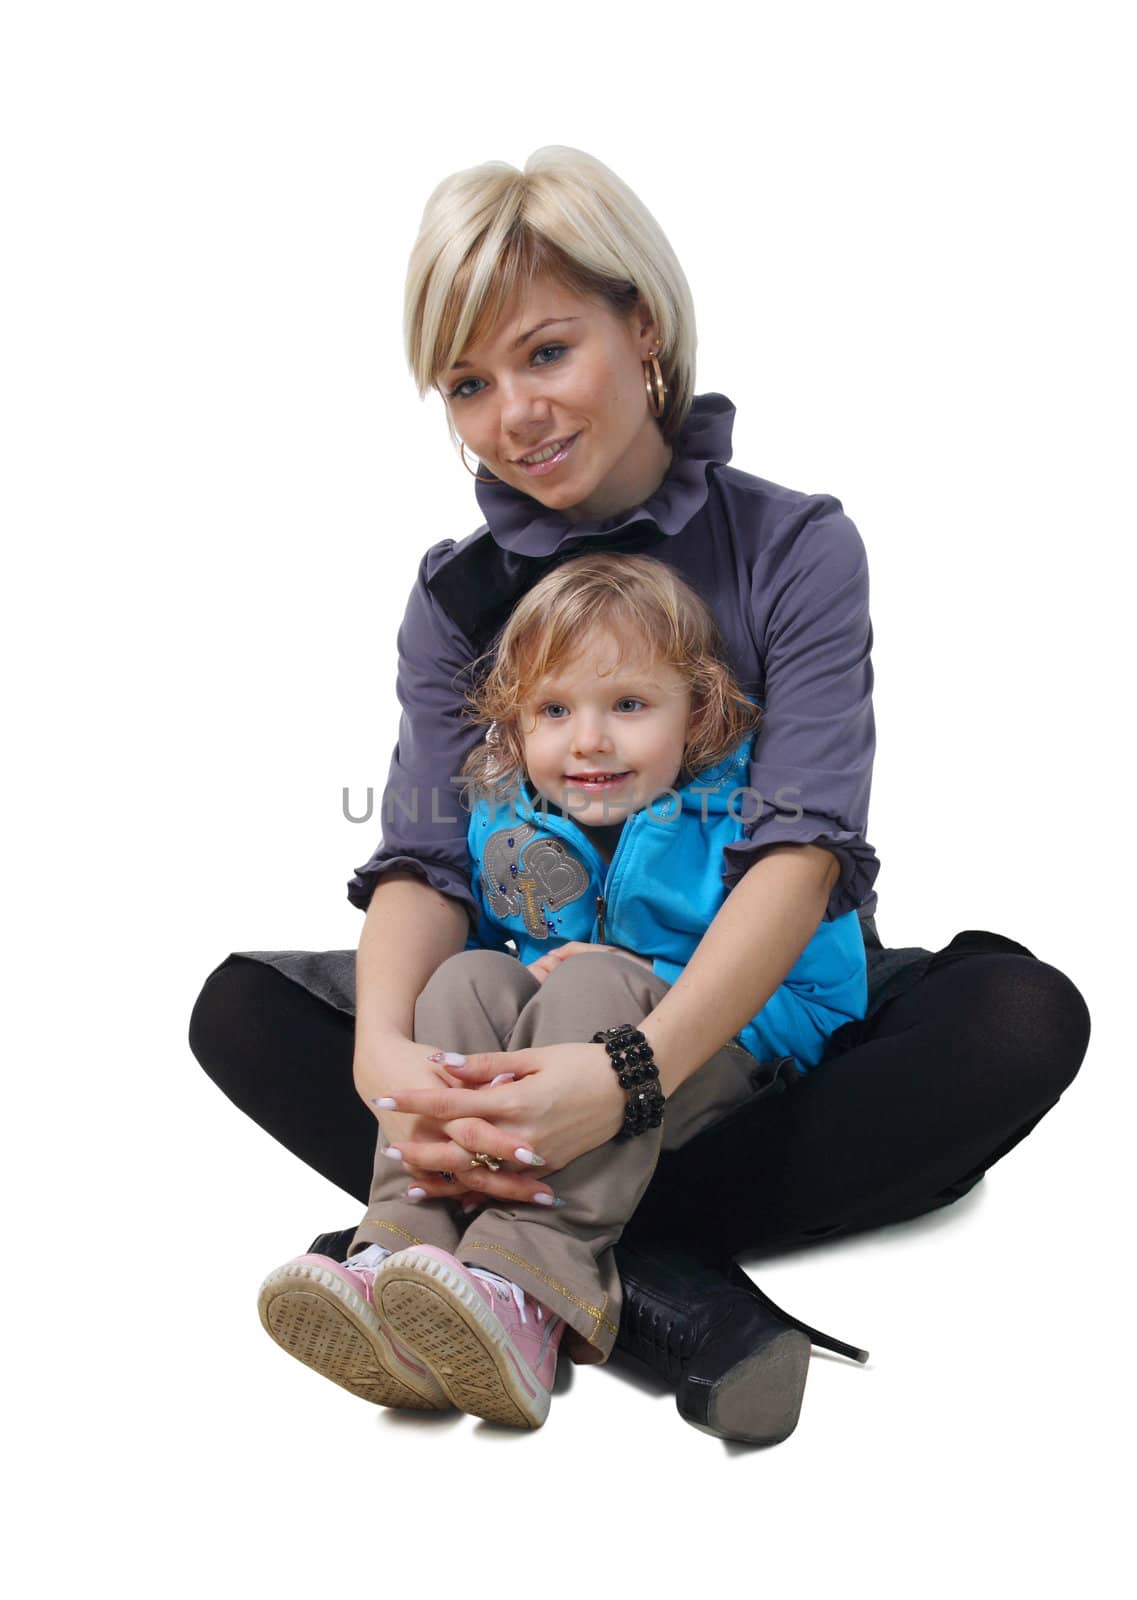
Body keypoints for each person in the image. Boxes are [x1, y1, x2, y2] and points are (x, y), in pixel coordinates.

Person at [189, 145, 1090, 1445]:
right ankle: (621, 1280)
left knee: (1014, 1016)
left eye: (547, 354)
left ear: (643, 325)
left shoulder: (792, 548)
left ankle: (523, 1241)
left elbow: (801, 851)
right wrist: (388, 1062)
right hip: (527, 1004)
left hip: (728, 1012)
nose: (513, 414)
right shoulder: (458, 597)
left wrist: (623, 1078)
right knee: (253, 1010)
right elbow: (427, 862)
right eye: (467, 383)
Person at [258, 553, 870, 1431]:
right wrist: (527, 985)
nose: (588, 740)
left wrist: (633, 987)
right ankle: (398, 1247)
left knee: (589, 976)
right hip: (568, 1081)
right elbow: (487, 946)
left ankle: (526, 1285)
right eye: (553, 710)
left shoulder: (746, 814)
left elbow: (811, 985)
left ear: (695, 712)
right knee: (467, 975)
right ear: (511, 726)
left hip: (739, 1057)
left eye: (627, 705)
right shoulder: (509, 812)